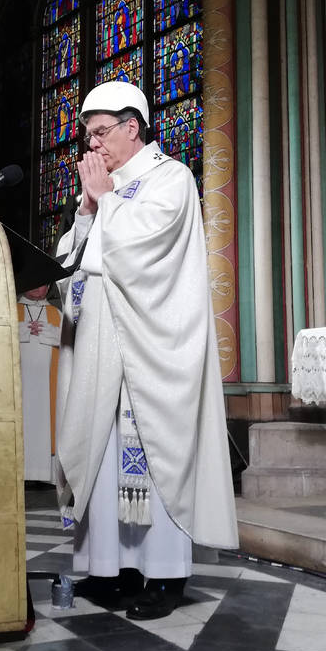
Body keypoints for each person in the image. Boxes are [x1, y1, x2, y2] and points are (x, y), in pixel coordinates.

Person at [53, 80, 238, 621]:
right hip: (101, 352)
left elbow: (142, 253)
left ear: (133, 127)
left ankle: (164, 577)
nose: (94, 148)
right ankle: (111, 572)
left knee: (151, 456)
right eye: (88, 138)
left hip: (150, 355)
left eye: (102, 133)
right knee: (105, 459)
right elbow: (73, 265)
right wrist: (86, 213)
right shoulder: (106, 190)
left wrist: (103, 202)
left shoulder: (170, 179)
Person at [17, 285, 62, 484]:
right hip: (20, 385)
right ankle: (19, 473)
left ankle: (47, 475)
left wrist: (52, 332)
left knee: (47, 419)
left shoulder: (57, 313)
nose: (38, 287)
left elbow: (73, 341)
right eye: (34, 282)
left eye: (44, 283)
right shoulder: (10, 309)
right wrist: (20, 330)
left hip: (48, 386)